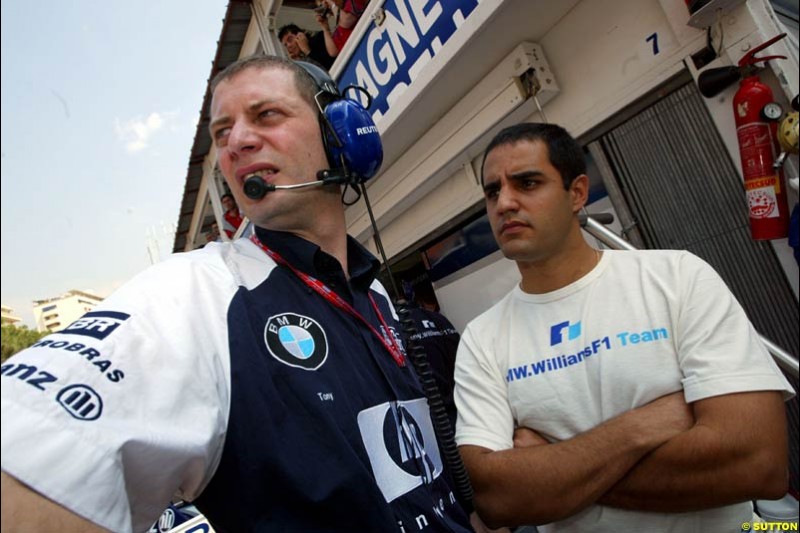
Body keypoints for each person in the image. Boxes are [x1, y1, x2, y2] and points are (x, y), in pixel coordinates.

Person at [0, 56, 472, 533]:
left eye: (266, 115)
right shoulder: (193, 292)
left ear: (339, 134)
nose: (237, 142)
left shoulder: (377, 296)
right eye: (222, 132)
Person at [453, 122, 794, 532]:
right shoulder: (482, 339)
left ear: (577, 193)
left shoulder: (677, 277)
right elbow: (497, 499)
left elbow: (759, 464)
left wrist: (555, 469)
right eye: (492, 191)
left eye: (527, 183)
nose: (504, 202)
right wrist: (640, 427)